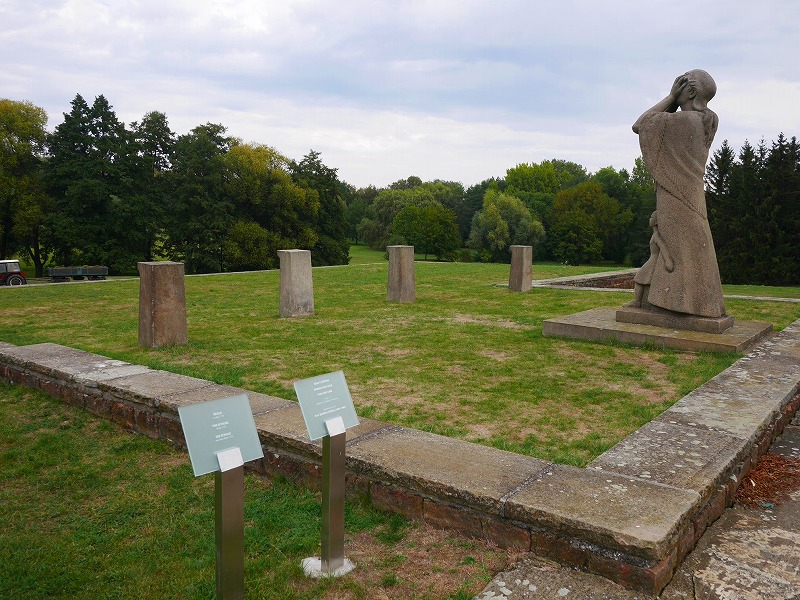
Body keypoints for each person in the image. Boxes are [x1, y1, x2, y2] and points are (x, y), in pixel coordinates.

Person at [629, 70, 726, 318]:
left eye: (680, 82)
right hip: (687, 196)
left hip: (674, 195)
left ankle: (681, 305)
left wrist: (671, 97)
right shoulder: (704, 120)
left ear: (689, 90)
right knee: (691, 248)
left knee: (680, 250)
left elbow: (641, 124)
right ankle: (696, 304)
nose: (675, 85)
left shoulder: (685, 121)